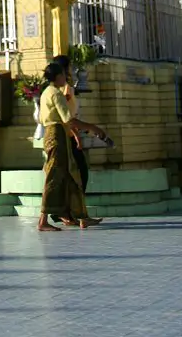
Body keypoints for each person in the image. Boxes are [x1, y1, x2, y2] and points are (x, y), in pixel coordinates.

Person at [37, 61, 106, 232]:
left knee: (72, 176)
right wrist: (92, 127)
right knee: (53, 176)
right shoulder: (56, 94)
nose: (65, 77)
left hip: (55, 134)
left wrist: (75, 134)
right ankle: (43, 221)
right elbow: (68, 119)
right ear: (57, 76)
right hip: (57, 135)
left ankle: (81, 216)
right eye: (63, 74)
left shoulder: (47, 92)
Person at [53, 53, 90, 195]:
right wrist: (77, 135)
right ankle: (75, 206)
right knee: (81, 171)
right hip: (68, 134)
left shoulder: (52, 90)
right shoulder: (66, 89)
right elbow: (66, 116)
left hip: (60, 134)